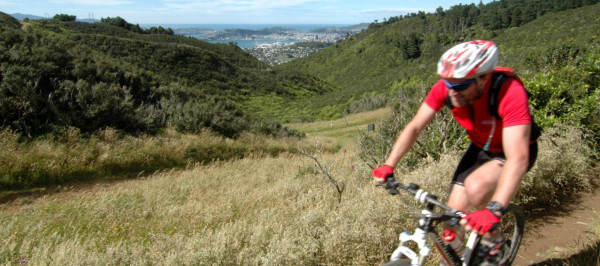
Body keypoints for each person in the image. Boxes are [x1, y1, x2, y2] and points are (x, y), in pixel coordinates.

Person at [372, 40, 538, 264]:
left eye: (460, 86)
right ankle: (459, 258)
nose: (452, 91)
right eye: (448, 83)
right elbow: (415, 126)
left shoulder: (509, 91)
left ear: (484, 77)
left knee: (476, 188)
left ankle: (495, 241)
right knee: (451, 222)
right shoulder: (449, 88)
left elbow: (518, 158)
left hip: (512, 151)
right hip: (479, 148)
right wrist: (389, 164)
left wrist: (495, 209)